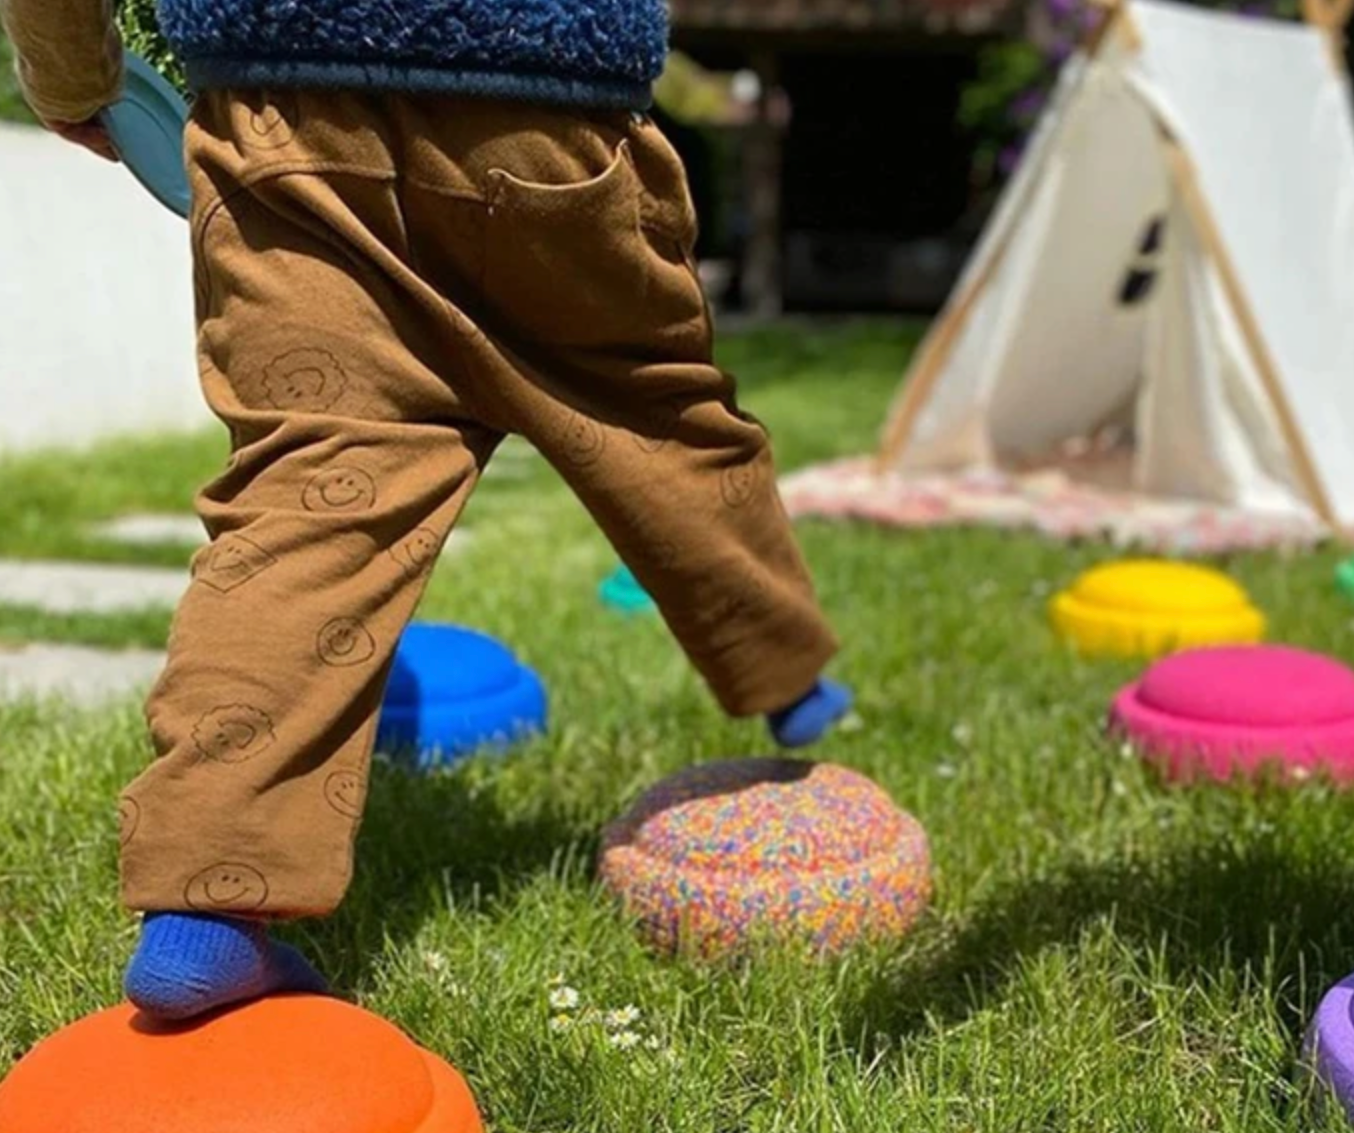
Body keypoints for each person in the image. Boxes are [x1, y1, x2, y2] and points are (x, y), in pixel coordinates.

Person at [0, 0, 852, 1022]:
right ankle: (785, 669)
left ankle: (205, 908)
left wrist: (72, 77)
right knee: (649, 409)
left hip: (284, 118)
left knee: (312, 492)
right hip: (543, 107)